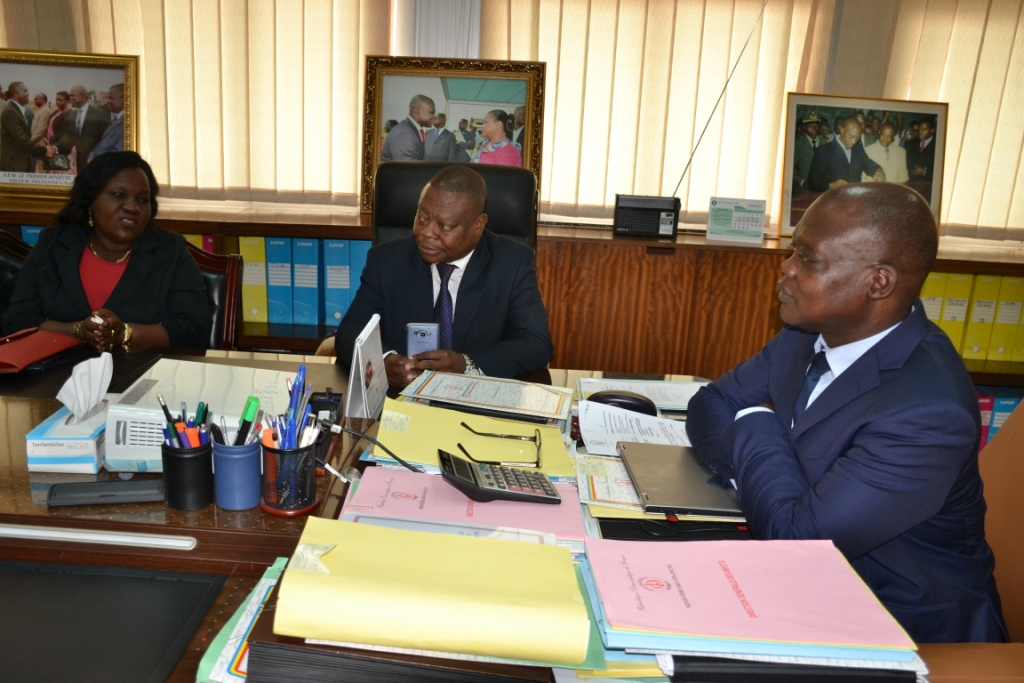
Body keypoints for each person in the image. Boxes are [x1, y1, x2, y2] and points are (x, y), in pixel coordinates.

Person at [686, 183, 1008, 644]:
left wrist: (756, 418)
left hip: (896, 622)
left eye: (808, 259)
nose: (786, 268)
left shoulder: (929, 411)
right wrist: (754, 480)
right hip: (799, 580)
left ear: (878, 282)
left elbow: (797, 541)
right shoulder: (808, 332)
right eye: (793, 251)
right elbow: (711, 403)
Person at [335, 165, 552, 388]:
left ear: (478, 225)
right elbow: (350, 333)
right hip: (403, 398)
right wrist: (383, 360)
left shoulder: (511, 264)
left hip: (476, 397)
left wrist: (466, 364)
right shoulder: (386, 261)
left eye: (444, 226)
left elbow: (536, 343)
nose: (426, 233)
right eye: (421, 218)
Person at [2, 151, 212, 351]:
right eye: (119, 195)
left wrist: (125, 334)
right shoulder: (54, 244)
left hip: (142, 371)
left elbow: (196, 331)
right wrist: (77, 331)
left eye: (142, 199)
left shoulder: (170, 251)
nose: (132, 207)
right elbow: (16, 322)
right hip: (58, 372)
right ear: (90, 200)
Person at [806, 118, 884, 192]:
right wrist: (830, 185)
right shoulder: (824, 151)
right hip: (833, 198)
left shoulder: (858, 149)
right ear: (842, 130)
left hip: (854, 198)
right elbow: (812, 181)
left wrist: (878, 171)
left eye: (857, 138)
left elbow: (868, 164)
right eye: (851, 137)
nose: (854, 142)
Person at [54, 85, 110, 164]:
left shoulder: (99, 114)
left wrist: (96, 155)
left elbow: (106, 138)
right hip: (79, 162)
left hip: (96, 161)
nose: (70, 98)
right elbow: (68, 136)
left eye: (73, 95)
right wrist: (55, 149)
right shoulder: (71, 115)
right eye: (70, 96)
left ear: (84, 96)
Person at [1, 82, 50, 172]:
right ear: (16, 94)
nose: (28, 94)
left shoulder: (16, 109)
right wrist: (44, 151)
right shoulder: (11, 111)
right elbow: (22, 138)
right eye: (25, 91)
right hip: (14, 163)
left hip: (19, 161)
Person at [380, 95, 434, 161]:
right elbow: (406, 167)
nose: (434, 117)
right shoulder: (405, 135)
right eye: (431, 112)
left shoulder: (409, 130)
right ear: (417, 111)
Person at [89, 83, 125, 161]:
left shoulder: (128, 123)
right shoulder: (116, 119)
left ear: (123, 99)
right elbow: (101, 145)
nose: (107, 101)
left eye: (110, 98)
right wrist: (91, 156)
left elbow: (119, 152)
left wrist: (96, 161)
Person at [792, 112, 822, 195]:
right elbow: (790, 168)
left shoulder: (826, 142)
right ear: (804, 127)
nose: (814, 129)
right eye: (810, 126)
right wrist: (801, 182)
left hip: (821, 192)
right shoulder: (797, 145)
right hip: (803, 192)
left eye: (816, 126)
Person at [906, 118, 937, 182]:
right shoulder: (912, 142)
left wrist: (924, 171)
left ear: (932, 130)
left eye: (924, 129)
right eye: (919, 129)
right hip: (910, 182)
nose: (920, 132)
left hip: (927, 184)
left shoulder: (937, 147)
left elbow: (941, 172)